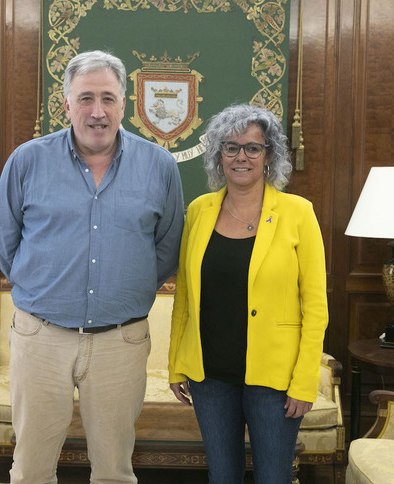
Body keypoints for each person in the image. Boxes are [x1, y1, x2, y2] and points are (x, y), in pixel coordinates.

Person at [0, 50, 184, 484]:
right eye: (85, 99)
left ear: (124, 104)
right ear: (66, 104)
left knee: (115, 471)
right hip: (40, 337)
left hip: (122, 341)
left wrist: (125, 288)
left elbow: (166, 247)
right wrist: (46, 290)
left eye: (108, 98)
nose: (97, 112)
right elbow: (6, 244)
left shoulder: (160, 166)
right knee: (30, 470)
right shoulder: (27, 160)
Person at [167, 104, 328, 483]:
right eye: (231, 147)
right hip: (210, 378)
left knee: (274, 477)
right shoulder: (199, 211)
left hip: (275, 381)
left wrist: (305, 381)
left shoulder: (298, 213)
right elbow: (185, 299)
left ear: (269, 155)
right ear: (218, 155)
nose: (241, 157)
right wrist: (177, 362)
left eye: (253, 148)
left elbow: (316, 307)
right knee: (223, 478)